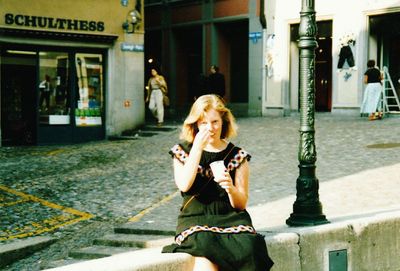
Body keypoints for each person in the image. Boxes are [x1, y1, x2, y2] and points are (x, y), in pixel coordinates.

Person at [162, 94, 274, 271]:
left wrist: (230, 187)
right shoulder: (182, 151)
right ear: (195, 124)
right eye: (204, 123)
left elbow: (241, 203)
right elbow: (184, 184)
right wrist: (198, 148)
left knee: (250, 248)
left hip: (231, 218)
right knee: (205, 247)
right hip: (195, 217)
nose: (210, 128)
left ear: (223, 122)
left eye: (215, 122)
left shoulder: (237, 155)